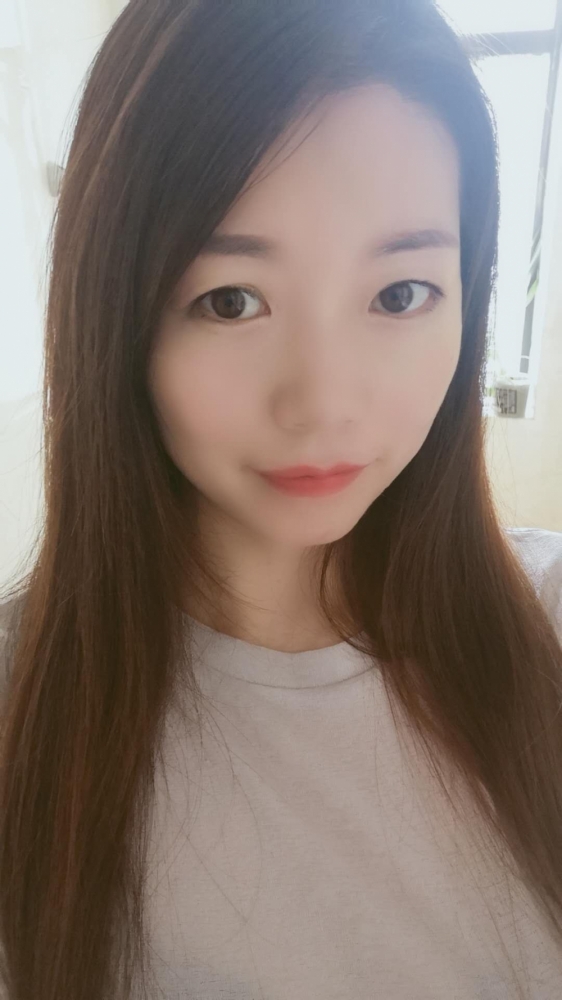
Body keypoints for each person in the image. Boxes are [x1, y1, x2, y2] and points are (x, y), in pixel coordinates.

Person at [0, 1, 561, 997]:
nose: (324, 405)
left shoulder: (545, 623)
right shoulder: (23, 714)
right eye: (231, 300)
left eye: (400, 294)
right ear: (116, 315)